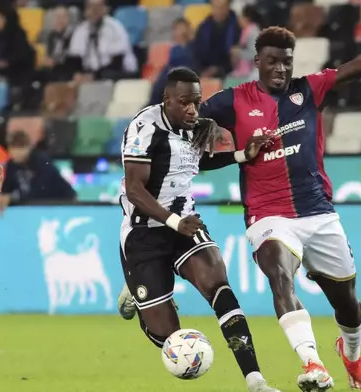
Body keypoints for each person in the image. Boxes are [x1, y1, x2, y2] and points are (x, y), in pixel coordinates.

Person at [198, 4, 361, 391]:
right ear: (256, 61)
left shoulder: (308, 90)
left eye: (286, 62)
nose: (280, 69)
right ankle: (313, 363)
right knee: (279, 273)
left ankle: (351, 355)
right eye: (272, 61)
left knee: (348, 306)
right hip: (268, 214)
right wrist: (238, 154)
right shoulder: (230, 102)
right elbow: (192, 152)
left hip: (317, 213)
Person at [115, 67, 278, 392]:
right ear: (167, 100)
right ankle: (136, 292)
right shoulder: (144, 127)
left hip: (185, 223)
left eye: (196, 102)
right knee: (168, 337)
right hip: (143, 233)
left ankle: (256, 380)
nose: (192, 109)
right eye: (184, 102)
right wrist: (173, 221)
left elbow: (194, 160)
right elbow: (135, 189)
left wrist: (240, 155)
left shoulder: (197, 127)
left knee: (218, 286)